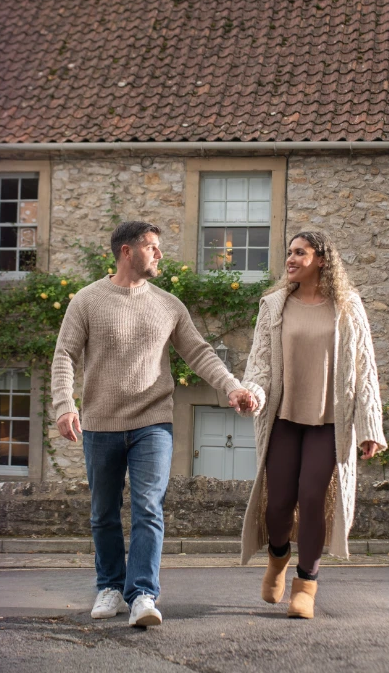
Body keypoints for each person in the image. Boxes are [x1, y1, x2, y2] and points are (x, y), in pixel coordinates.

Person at [51, 221, 254, 628]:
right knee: (103, 512)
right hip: (101, 424)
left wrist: (232, 386)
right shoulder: (87, 301)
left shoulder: (168, 305)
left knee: (147, 506)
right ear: (127, 251)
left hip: (153, 423)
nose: (160, 254)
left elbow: (199, 353)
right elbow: (63, 356)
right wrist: (64, 405)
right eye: (153, 247)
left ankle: (143, 593)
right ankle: (109, 585)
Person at [237, 230, 386, 619]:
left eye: (300, 252)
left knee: (314, 497)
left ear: (321, 259)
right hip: (284, 419)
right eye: (289, 252)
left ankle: (306, 583)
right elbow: (260, 364)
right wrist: (251, 391)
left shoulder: (347, 306)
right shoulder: (273, 306)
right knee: (279, 504)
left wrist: (370, 426)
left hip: (329, 422)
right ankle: (278, 558)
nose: (290, 258)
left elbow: (364, 369)